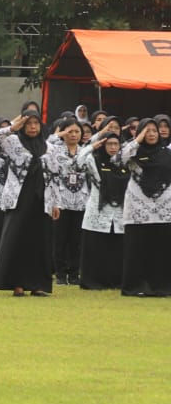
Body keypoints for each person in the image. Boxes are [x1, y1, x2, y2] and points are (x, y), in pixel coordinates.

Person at [0, 114, 55, 297]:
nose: (33, 127)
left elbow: (54, 176)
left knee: (39, 241)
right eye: (28, 124)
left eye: (36, 123)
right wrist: (11, 128)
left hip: (41, 198)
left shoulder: (49, 147)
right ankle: (16, 284)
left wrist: (56, 203)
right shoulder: (13, 142)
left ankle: (37, 284)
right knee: (17, 240)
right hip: (19, 197)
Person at [119, 117, 171, 298]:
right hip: (137, 208)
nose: (151, 134)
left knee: (161, 250)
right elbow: (119, 158)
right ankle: (136, 287)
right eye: (147, 130)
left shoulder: (167, 153)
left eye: (154, 131)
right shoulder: (133, 153)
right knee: (137, 250)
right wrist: (137, 139)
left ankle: (161, 287)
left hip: (164, 209)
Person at [74, 123, 126, 290]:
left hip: (119, 212)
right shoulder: (94, 160)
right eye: (109, 144)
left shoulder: (124, 162)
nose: (112, 147)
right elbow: (78, 162)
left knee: (116, 249)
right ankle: (94, 282)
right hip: (98, 211)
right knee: (96, 249)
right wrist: (91, 146)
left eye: (115, 144)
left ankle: (115, 281)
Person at [44, 118, 89, 285]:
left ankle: (74, 274)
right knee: (60, 239)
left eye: (77, 131)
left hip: (81, 200)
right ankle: (61, 274)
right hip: (60, 200)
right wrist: (60, 134)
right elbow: (46, 142)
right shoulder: (55, 150)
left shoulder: (85, 151)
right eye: (70, 131)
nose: (74, 135)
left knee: (76, 241)